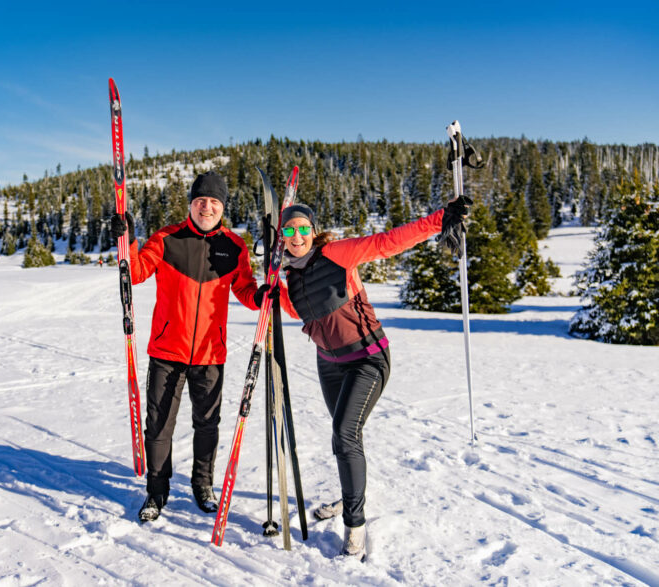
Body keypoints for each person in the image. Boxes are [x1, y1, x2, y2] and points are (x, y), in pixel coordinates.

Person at [274, 197, 469, 559]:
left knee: (345, 434)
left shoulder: (336, 253)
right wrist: (272, 295)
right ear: (281, 236)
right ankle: (350, 496)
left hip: (368, 357)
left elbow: (387, 242)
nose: (297, 235)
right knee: (344, 436)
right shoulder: (288, 272)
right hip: (328, 362)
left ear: (313, 232)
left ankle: (355, 524)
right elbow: (302, 311)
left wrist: (439, 219)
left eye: (304, 228)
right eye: (290, 229)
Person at [109, 171, 273, 523]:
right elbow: (136, 272)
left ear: (223, 207)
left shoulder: (234, 246)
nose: (207, 207)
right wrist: (129, 239)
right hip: (167, 350)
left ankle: (203, 485)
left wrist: (260, 296)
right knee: (158, 426)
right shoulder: (168, 238)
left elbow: (245, 289)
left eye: (214, 202)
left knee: (207, 424)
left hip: (211, 354)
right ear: (191, 204)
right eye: (201, 201)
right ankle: (156, 491)